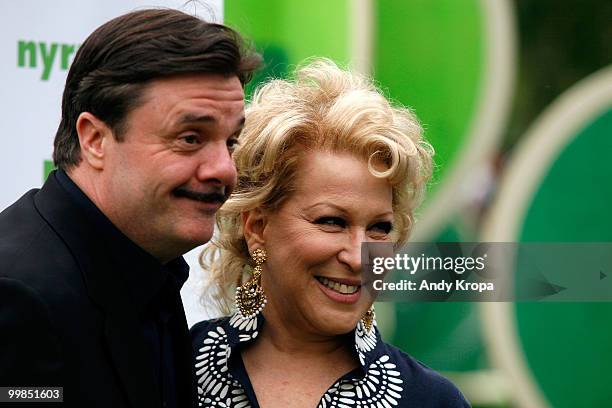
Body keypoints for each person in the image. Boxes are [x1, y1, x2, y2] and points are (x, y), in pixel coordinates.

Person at [0, 8, 260, 408]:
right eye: (190, 138)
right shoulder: (20, 296)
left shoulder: (147, 266)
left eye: (230, 142)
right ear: (95, 139)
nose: (223, 169)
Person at [192, 59, 470, 407]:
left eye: (379, 228)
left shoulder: (431, 401)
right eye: (331, 222)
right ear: (258, 227)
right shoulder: (173, 368)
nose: (358, 257)